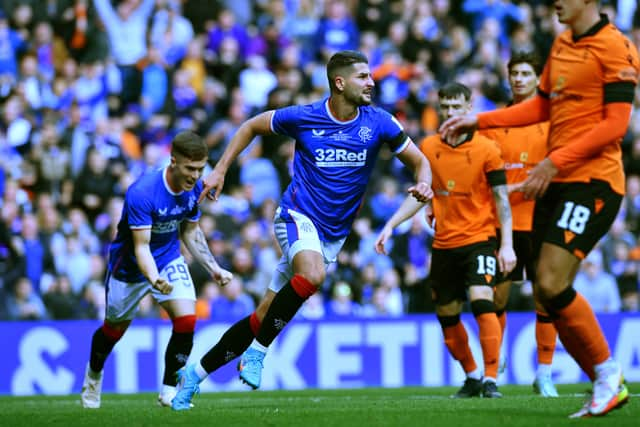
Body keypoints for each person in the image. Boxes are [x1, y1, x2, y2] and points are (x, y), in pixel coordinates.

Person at [171, 50, 432, 410]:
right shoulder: (304, 116)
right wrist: (219, 170)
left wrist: (424, 183)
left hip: (332, 235)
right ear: (339, 83)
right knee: (314, 274)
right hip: (296, 216)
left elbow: (421, 162)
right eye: (363, 77)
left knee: (262, 316)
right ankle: (257, 354)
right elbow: (250, 126)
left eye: (371, 76)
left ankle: (194, 376)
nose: (372, 82)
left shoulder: (381, 123)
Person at [439, 2, 638, 418]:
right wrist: (480, 121)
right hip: (558, 182)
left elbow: (616, 124)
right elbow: (542, 107)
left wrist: (554, 160)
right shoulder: (562, 43)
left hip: (594, 181)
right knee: (548, 291)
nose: (554, 4)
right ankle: (604, 380)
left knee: (549, 280)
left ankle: (607, 374)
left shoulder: (615, 46)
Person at [376, 82, 516, 399]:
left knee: (482, 300)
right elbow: (421, 195)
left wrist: (505, 244)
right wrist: (392, 224)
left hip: (479, 239)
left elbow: (502, 199)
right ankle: (472, 377)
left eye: (457, 107)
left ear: (469, 108)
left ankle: (492, 379)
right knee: (447, 316)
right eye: (446, 107)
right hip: (444, 244)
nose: (451, 113)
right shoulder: (428, 147)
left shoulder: (488, 149)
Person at [80, 131, 233, 409]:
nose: (195, 175)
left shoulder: (195, 188)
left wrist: (214, 268)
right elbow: (140, 247)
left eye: (200, 169)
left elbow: (191, 231)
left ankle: (169, 391)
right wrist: (153, 279)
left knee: (187, 319)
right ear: (173, 161)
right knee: (114, 329)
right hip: (129, 268)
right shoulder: (143, 192)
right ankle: (93, 373)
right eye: (190, 168)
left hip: (167, 258)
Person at [479, 51, 559, 397]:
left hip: (541, 220)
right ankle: (494, 368)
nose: (518, 79)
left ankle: (544, 373)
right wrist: (511, 188)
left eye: (526, 73)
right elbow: (484, 176)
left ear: (538, 79)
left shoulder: (551, 122)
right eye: (514, 73)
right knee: (498, 296)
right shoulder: (495, 121)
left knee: (546, 297)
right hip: (502, 224)